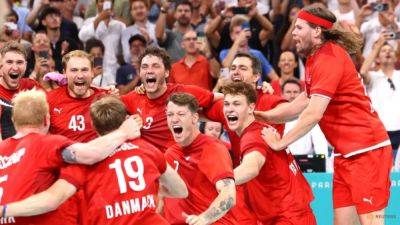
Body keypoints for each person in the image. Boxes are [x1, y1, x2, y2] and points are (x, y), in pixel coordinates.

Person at [257, 5, 392, 225]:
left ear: (317, 31)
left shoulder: (329, 57)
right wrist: (265, 116)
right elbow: (302, 101)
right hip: (345, 154)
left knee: (372, 223)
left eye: (299, 27)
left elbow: (313, 114)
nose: (294, 32)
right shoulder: (315, 58)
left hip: (367, 150)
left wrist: (280, 143)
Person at [0, 96, 188, 225]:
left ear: (94, 128)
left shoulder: (81, 164)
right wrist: (149, 190)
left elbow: (53, 199)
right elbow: (181, 191)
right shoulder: (148, 150)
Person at [203, 52, 287, 225]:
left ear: (256, 76)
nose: (235, 72)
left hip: (274, 193)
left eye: (242, 68)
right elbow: (192, 109)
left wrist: (222, 180)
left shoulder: (271, 102)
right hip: (244, 189)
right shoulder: (227, 105)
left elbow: (254, 162)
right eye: (233, 68)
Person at [222, 82, 316, 225]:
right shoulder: (260, 128)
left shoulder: (252, 136)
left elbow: (251, 168)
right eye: (227, 104)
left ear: (251, 108)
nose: (230, 109)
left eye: (236, 104)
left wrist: (217, 181)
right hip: (293, 213)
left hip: (288, 218)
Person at [120, 46, 220, 152]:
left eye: (155, 66)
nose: (149, 71)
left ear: (167, 72)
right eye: (144, 67)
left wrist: (203, 115)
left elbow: (219, 98)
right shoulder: (133, 98)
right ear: (140, 73)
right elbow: (106, 111)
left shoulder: (181, 92)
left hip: (179, 161)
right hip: (149, 163)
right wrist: (126, 121)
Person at [163, 93, 237, 225]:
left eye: (181, 114)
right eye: (170, 115)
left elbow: (229, 195)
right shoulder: (170, 153)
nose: (174, 119)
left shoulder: (212, 149)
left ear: (195, 118)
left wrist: (204, 219)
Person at [47, 50, 107, 142]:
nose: (80, 75)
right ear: (64, 73)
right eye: (74, 70)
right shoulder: (49, 100)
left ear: (92, 73)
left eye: (84, 70)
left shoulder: (106, 99)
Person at [360, 34, 400, 163]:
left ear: (396, 57)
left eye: (390, 50)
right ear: (377, 58)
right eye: (383, 51)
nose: (387, 52)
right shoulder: (373, 76)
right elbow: (363, 72)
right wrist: (378, 46)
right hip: (380, 132)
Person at [0, 42, 41, 140]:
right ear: (1, 65)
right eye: (9, 62)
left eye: (19, 62)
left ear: (26, 65)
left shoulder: (31, 86)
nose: (15, 67)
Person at [79, 0, 126, 84]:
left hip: (113, 71)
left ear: (112, 5)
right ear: (96, 5)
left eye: (107, 1)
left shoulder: (120, 25)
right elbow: (82, 37)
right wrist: (99, 19)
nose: (104, 4)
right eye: (101, 1)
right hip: (93, 71)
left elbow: (124, 52)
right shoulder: (89, 22)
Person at [281, 79, 328, 156]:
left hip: (304, 162)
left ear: (300, 95)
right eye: (288, 92)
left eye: (295, 92)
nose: (292, 95)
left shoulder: (310, 115)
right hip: (282, 161)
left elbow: (320, 142)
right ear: (282, 94)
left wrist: (322, 164)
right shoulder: (275, 118)